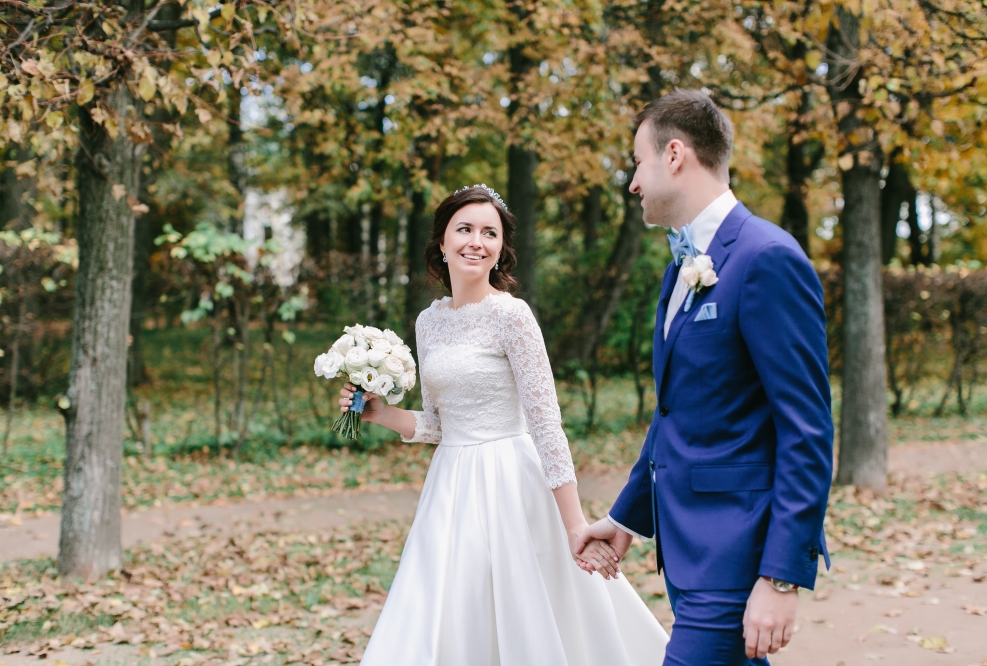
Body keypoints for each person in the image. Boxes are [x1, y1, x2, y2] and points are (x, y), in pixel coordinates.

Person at [337, 185, 668, 666]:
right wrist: (380, 413)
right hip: (450, 488)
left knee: (529, 609)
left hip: (513, 483)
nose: (477, 241)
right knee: (450, 610)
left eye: (489, 233)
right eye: (465, 229)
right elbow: (440, 423)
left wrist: (574, 524)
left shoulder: (512, 316)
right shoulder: (428, 322)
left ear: (500, 249)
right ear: (443, 242)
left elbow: (546, 424)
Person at [575, 89, 835, 666]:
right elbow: (677, 412)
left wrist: (781, 577)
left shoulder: (767, 257)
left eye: (637, 163)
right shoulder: (680, 270)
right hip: (686, 550)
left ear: (674, 155)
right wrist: (624, 519)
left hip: (736, 553)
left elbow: (808, 430)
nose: (632, 184)